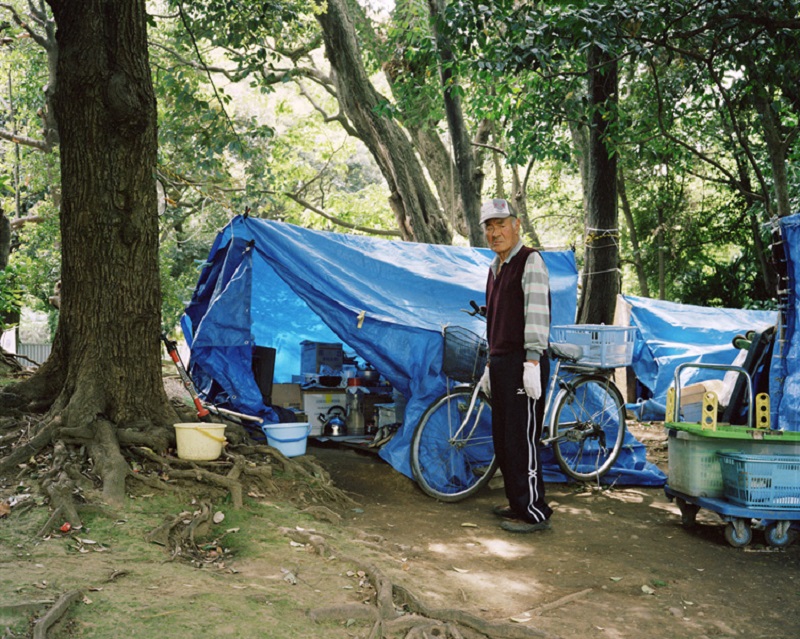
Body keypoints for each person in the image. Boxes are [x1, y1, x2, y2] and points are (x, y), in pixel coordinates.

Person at [478, 198, 552, 533]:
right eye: (489, 227)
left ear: (516, 225)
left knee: (523, 439)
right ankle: (516, 501)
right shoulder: (496, 268)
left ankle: (534, 511)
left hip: (525, 362)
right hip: (502, 362)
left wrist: (533, 361)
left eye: (501, 224)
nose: (495, 233)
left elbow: (536, 312)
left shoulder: (529, 261)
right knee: (504, 439)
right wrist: (490, 365)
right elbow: (496, 320)